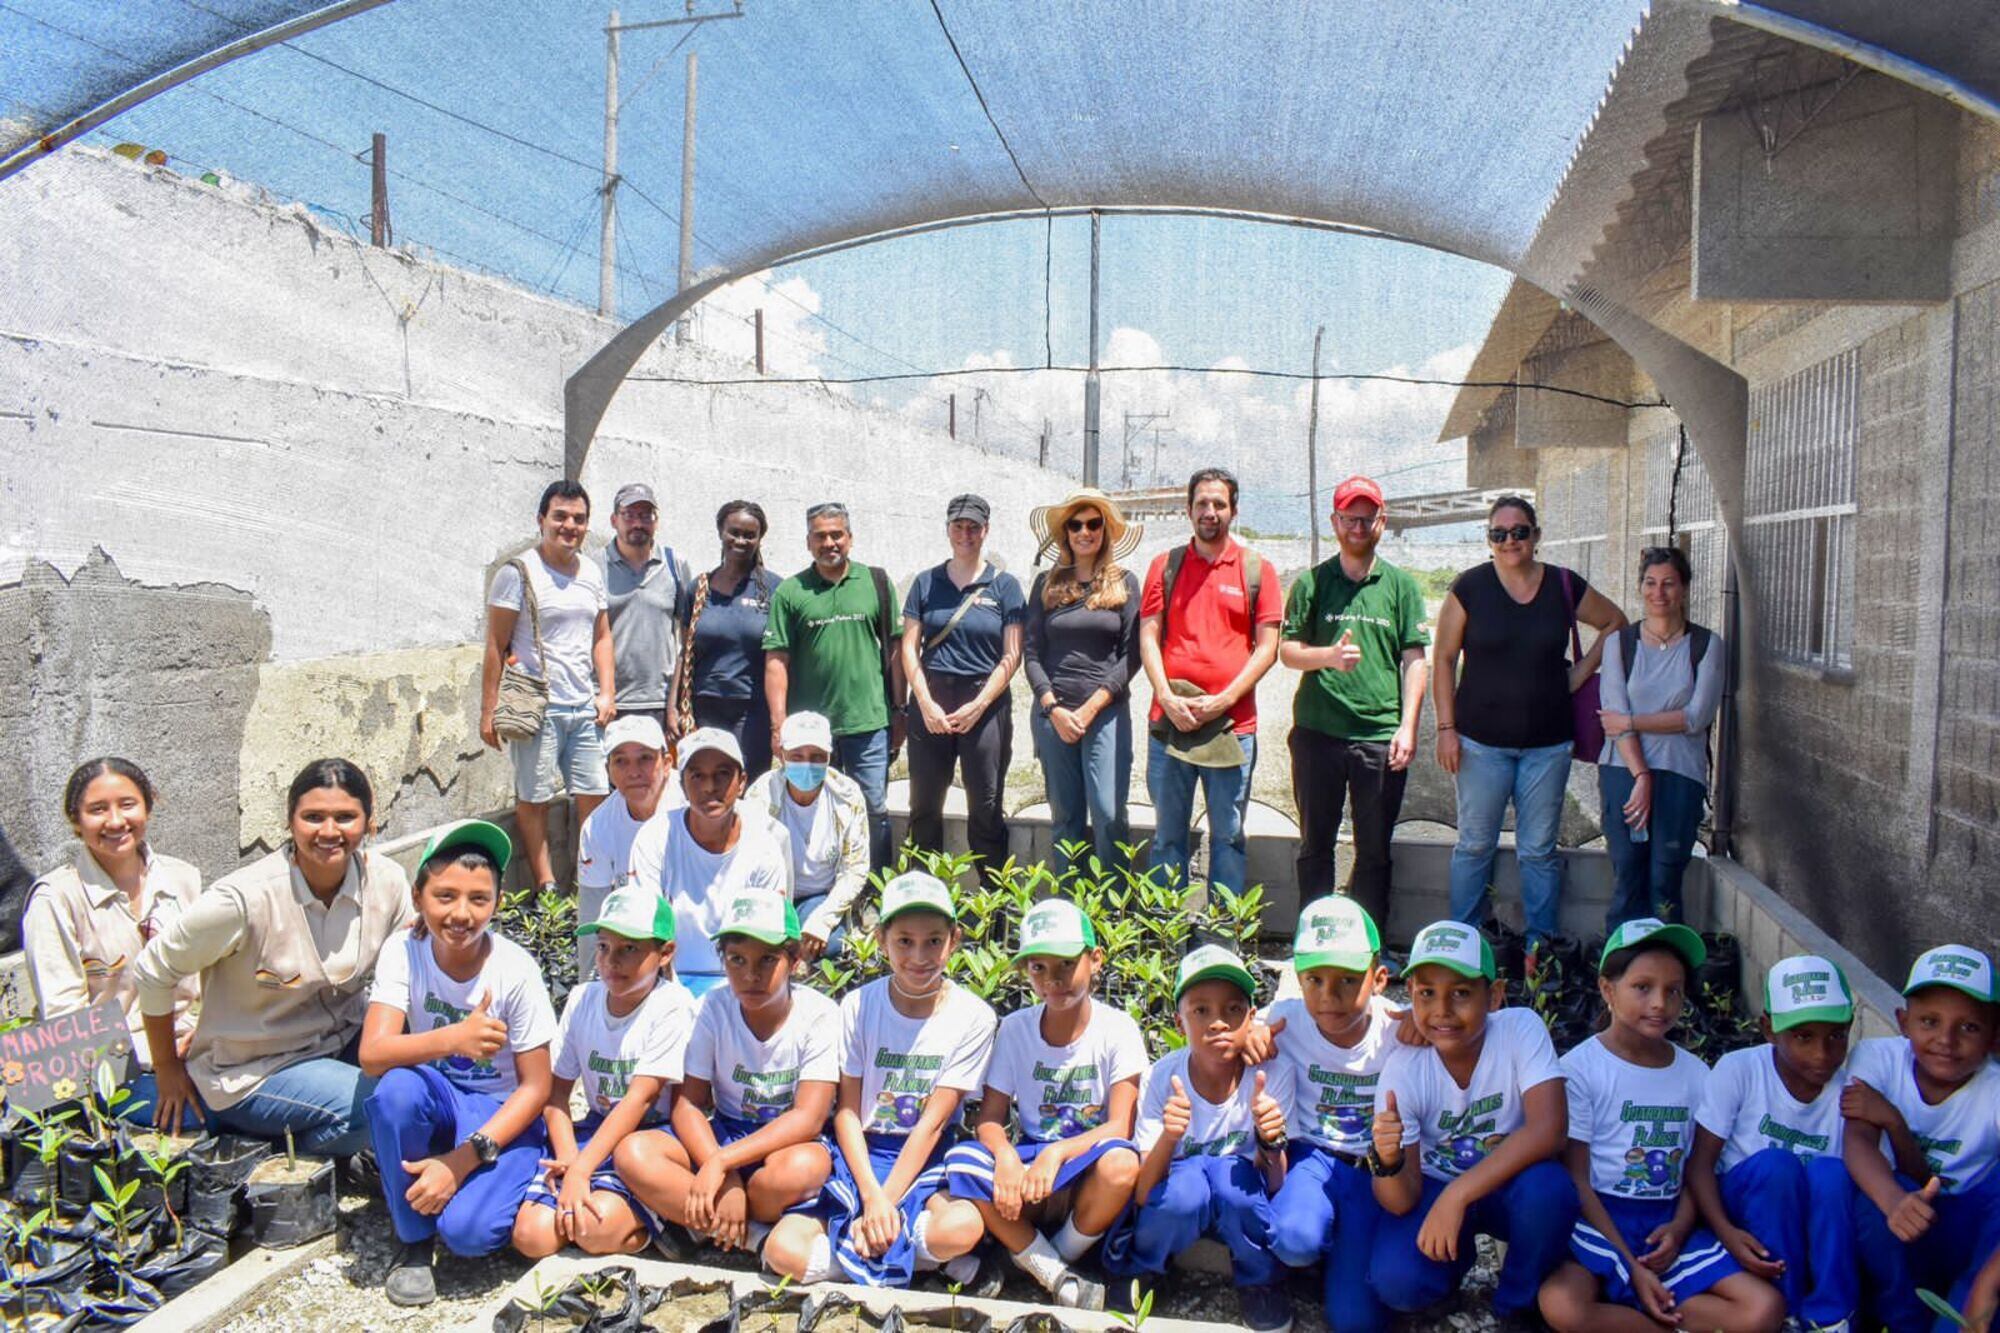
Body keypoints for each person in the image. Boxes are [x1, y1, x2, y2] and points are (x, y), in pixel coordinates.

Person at [133, 758, 412, 1152]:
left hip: (343, 1040)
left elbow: (412, 964)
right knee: (377, 1106)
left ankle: (330, 1139)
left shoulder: (386, 881)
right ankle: (271, 1152)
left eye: (345, 817)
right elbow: (152, 971)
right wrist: (166, 1069)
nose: (329, 832)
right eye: (313, 817)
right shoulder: (244, 899)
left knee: (429, 1066)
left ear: (369, 821)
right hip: (258, 1068)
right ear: (289, 821)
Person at [1537, 920, 1783, 1333]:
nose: (1660, 1004)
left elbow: (1695, 1168)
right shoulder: (1579, 1070)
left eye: (1674, 990)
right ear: (1607, 989)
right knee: (1562, 1305)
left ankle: (1637, 1312)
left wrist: (1681, 1226)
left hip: (1665, 1221)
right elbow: (1576, 1179)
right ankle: (1651, 1317)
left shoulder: (1697, 1074)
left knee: (1764, 1309)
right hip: (1599, 1218)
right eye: (1643, 987)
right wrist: (1631, 1266)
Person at [360, 819, 558, 1306]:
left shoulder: (515, 971)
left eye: (479, 899)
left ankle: (492, 1181)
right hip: (442, 1097)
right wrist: (454, 1038)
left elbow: (536, 1087)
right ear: (419, 896)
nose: (461, 914)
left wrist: (461, 1160)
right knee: (395, 1091)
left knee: (469, 1236)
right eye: (444, 896)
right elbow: (372, 1054)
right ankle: (412, 1241)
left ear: (498, 902)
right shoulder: (404, 951)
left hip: (500, 1112)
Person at [1432, 495, 1625, 950]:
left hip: (1548, 746)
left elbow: (1615, 622)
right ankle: (1464, 943)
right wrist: (1445, 729)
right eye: (1499, 534)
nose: (1509, 541)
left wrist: (1581, 672)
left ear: (1536, 536)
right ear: (1489, 540)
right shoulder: (1470, 588)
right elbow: (1442, 659)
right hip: (1479, 744)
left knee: (1538, 851)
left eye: (1519, 531)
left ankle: (1542, 950)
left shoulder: (1562, 585)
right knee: (1475, 845)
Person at [1368, 920, 1577, 1324]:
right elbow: (1400, 1199)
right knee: (1397, 1282)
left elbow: (1549, 1130)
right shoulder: (1404, 1069)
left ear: (1495, 995)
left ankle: (1517, 1303)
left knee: (1551, 1191)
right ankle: (1450, 1264)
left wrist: (1458, 1194)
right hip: (1432, 1184)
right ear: (1410, 994)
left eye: (1461, 993)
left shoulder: (1519, 1030)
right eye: (1427, 993)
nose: (1442, 1010)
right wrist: (1387, 1159)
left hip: (1507, 1184)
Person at [944, 898, 1145, 1309]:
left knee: (1123, 1163)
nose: (1053, 980)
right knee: (961, 1161)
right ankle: (1059, 1278)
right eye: (1039, 968)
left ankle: (1042, 1260)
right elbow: (990, 1119)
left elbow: (1121, 1125)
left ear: (1096, 960)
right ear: (1026, 972)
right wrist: (1004, 1156)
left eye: (1066, 965)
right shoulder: (1016, 1029)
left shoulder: (1118, 1029)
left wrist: (1058, 1153)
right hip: (1030, 1162)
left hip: (1084, 1159)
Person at [624, 889, 838, 1267]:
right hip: (724, 1131)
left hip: (784, 1141)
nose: (750, 975)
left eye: (767, 960)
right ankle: (751, 1234)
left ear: (794, 959)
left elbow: (809, 1116)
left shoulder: (819, 1015)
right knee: (634, 1153)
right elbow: (688, 1103)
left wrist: (722, 1166)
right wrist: (724, 1174)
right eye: (736, 960)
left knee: (804, 1169)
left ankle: (703, 1221)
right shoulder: (711, 1008)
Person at [810, 872, 995, 1288]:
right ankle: (912, 1255)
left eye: (933, 941)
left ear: (955, 940)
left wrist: (884, 1201)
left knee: (963, 1227)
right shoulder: (858, 1006)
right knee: (785, 1251)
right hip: (861, 1151)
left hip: (925, 1155)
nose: (919, 956)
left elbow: (932, 1124)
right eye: (904, 941)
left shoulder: (974, 1016)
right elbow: (848, 1114)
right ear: (881, 940)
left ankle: (872, 1244)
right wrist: (872, 1197)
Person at [1102, 944, 1293, 1333]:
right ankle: (1143, 1268)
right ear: (1179, 1023)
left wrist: (1271, 1141)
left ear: (1251, 1017)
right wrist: (1170, 1137)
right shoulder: (1162, 1077)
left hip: (1239, 1191)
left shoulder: (1272, 1074)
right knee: (1186, 1188)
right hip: (1180, 1191)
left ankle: (1258, 1279)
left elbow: (1275, 1185)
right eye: (1200, 1010)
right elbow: (1144, 1192)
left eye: (1233, 1010)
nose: (1218, 1022)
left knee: (1232, 1182)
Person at [1280, 476, 1430, 925]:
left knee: (1374, 849)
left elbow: (1416, 661)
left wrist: (1407, 727)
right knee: (1315, 845)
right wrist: (1328, 656)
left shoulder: (1401, 586)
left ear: (1381, 523)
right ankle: (1313, 937)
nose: (1358, 527)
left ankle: (1370, 949)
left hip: (1378, 737)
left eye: (1367, 518)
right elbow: (1287, 652)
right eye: (1350, 518)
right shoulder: (1312, 583)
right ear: (1335, 522)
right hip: (1317, 735)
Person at [514, 884, 692, 1260]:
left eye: (630, 949)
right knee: (532, 1238)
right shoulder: (582, 999)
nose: (613, 961)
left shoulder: (672, 1005)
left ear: (665, 953)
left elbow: (640, 1098)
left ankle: (660, 1225)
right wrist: (567, 1159)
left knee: (592, 1230)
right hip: (596, 1128)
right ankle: (621, 1210)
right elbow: (556, 1093)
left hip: (652, 1137)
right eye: (604, 947)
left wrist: (581, 1171)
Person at [1689, 955, 1860, 1332]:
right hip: (1744, 1213)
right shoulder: (1739, 1070)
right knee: (1776, 1166)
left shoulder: (1851, 1091)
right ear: (1768, 1029)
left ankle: (1833, 1317)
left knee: (1832, 1174)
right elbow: (1699, 1165)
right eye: (1803, 1037)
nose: (1822, 1053)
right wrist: (1725, 1233)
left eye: (1836, 1036)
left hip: (1805, 1218)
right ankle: (1785, 1311)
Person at [1263, 896, 1405, 1333]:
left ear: (1379, 979)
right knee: (1293, 1238)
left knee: (1355, 1323)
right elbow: (1246, 1036)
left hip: (1372, 1171)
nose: (1329, 997)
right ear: (1297, 980)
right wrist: (1250, 1035)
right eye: (1314, 980)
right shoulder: (1284, 1022)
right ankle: (1316, 1258)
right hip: (1313, 1158)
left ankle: (1346, 1262)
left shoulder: (1400, 1030)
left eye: (1347, 980)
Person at [1842, 945, 2000, 1332]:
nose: (1946, 1039)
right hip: (1905, 1222)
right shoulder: (1877, 1059)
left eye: (1969, 1027)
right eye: (1929, 1021)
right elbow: (1857, 1142)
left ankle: (1969, 1309)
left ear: (1996, 1037)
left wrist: (1988, 1287)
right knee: (1871, 1199)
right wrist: (1894, 1201)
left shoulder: (1994, 1090)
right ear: (1903, 1021)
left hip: (1972, 1230)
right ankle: (1902, 1321)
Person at [1138, 468, 1282, 895]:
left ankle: (1222, 938)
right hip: (1171, 724)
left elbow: (1267, 648)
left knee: (1229, 836)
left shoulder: (1258, 570)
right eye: (1201, 503)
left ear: (1233, 510)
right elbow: (1149, 634)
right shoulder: (1165, 567)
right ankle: (1167, 932)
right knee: (1167, 837)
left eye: (1219, 503)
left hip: (1232, 728)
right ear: (1188, 510)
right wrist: (1165, 695)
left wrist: (1224, 700)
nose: (1210, 511)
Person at [23, 758, 202, 1084]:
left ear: (148, 807)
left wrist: (207, 1034)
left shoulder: (184, 880)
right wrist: (162, 1056)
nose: (116, 821)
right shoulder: (55, 899)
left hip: (194, 1050)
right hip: (109, 1067)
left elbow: (214, 982)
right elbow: (65, 1022)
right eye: (98, 810)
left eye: (128, 805)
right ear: (75, 821)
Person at [481, 479, 617, 894]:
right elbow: (495, 644)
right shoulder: (518, 572)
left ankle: (589, 880)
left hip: (584, 706)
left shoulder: (591, 572)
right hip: (538, 708)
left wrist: (607, 691)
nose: (569, 526)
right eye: (560, 516)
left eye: (578, 519)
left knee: (595, 796)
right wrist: (488, 713)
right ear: (542, 520)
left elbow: (602, 637)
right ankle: (547, 889)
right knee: (534, 799)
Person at [764, 502, 905, 871]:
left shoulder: (874, 582)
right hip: (810, 732)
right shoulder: (791, 592)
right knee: (811, 807)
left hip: (868, 723)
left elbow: (894, 651)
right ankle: (823, 887)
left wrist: (900, 710)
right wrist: (779, 725)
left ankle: (874, 893)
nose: (830, 543)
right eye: (820, 536)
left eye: (836, 534)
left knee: (872, 808)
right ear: (808, 542)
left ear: (850, 538)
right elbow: (776, 661)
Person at [1595, 547, 1725, 930]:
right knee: (1627, 875)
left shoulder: (1705, 645)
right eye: (1650, 583)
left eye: (1669, 583)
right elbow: (1612, 720)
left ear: (1684, 589)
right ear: (1640, 588)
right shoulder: (1621, 644)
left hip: (1681, 775)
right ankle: (1619, 972)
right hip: (1624, 772)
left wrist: (1634, 719)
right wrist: (1641, 776)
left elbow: (1696, 717)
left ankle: (1667, 971)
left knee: (1665, 879)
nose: (1659, 592)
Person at [901, 494, 1025, 880]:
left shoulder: (1005, 587)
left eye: (974, 527)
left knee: (985, 805)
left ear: (985, 531)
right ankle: (924, 895)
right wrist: (925, 703)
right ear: (948, 530)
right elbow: (909, 647)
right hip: (931, 699)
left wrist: (979, 705)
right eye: (959, 526)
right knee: (924, 805)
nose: (966, 534)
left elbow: (1012, 654)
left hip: (985, 704)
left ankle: (993, 903)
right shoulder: (926, 583)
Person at [1024, 488, 1142, 875]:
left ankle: (1114, 914)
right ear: (1066, 533)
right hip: (1053, 715)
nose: (1084, 532)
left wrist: (1092, 707)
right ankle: (1071, 911)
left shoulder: (1124, 583)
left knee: (1108, 814)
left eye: (1093, 524)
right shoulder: (1047, 583)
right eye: (1076, 525)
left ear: (1105, 531)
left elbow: (1132, 655)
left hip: (1105, 714)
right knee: (1065, 817)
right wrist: (1052, 707)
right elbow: (1031, 652)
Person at [626, 728, 791, 996]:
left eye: (722, 774)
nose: (709, 787)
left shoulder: (764, 846)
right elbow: (647, 927)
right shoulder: (655, 837)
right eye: (697, 776)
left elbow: (767, 937)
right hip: (668, 985)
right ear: (682, 785)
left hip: (743, 986)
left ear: (742, 782)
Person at [745, 712, 870, 962]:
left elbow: (855, 867)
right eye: (797, 757)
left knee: (828, 945)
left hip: (821, 895)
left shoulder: (847, 796)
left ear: (829, 757)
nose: (807, 765)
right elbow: (748, 861)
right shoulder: (761, 795)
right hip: (773, 894)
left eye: (817, 757)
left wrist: (823, 919)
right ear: (782, 755)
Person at [676, 501, 783, 781]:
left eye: (750, 535)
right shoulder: (698, 588)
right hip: (703, 707)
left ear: (760, 539)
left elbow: (781, 657)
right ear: (720, 532)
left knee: (747, 785)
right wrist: (672, 708)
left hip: (752, 711)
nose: (741, 540)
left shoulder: (774, 589)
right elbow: (684, 652)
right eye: (734, 532)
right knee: (704, 786)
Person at [575, 714, 683, 977]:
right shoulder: (597, 827)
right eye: (621, 761)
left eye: (645, 758)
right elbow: (593, 916)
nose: (633, 772)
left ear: (667, 763)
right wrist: (588, 991)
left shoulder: (692, 807)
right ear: (608, 770)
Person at [599, 482, 693, 732]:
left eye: (645, 515)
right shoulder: (594, 566)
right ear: (613, 520)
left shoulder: (675, 565)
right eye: (629, 515)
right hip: (606, 702)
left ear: (656, 521)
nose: (637, 523)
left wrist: (676, 704)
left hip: (660, 703)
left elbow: (687, 640)